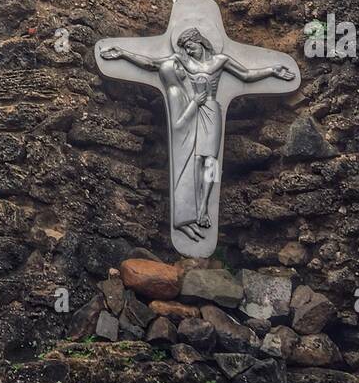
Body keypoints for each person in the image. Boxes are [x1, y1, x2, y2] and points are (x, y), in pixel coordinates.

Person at [99, 28, 295, 243]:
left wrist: (272, 70)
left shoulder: (220, 60)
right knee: (196, 160)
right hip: (191, 110)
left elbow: (247, 75)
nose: (188, 51)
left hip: (211, 109)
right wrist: (123, 54)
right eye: (184, 48)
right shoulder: (181, 60)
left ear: (199, 41)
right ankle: (189, 209)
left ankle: (203, 208)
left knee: (211, 160)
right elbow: (152, 64)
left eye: (190, 46)